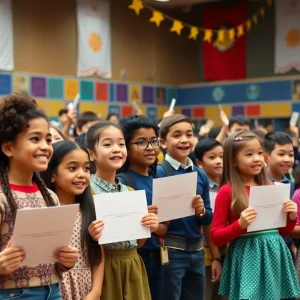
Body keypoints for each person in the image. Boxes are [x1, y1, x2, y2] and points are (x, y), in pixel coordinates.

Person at [0, 94, 78, 299]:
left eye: (48, 140)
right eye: (35, 139)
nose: (45, 146)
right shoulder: (0, 197)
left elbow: (52, 257)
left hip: (53, 291)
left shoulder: (50, 196)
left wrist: (65, 260)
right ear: (8, 147)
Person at [211, 130, 300, 299]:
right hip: (246, 255)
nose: (257, 159)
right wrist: (240, 225)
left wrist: (291, 217)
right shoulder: (227, 191)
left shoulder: (273, 187)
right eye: (249, 154)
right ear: (233, 160)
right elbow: (216, 236)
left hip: (275, 253)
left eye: (260, 153)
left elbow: (285, 231)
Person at [85, 121, 158, 300]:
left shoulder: (130, 192)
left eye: (121, 144)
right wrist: (91, 235)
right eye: (108, 144)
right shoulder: (87, 191)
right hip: (104, 267)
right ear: (91, 154)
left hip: (133, 264)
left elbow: (137, 243)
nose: (116, 149)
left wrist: (149, 226)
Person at [157, 114, 213, 300]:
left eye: (189, 135)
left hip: (197, 251)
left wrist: (201, 211)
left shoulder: (201, 175)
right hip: (171, 251)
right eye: (177, 135)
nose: (184, 140)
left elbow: (208, 218)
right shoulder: (159, 172)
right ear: (162, 142)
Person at [40, 141, 104, 299]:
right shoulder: (43, 211)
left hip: (86, 289)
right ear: (53, 174)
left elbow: (98, 256)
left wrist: (95, 292)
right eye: (72, 168)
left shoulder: (90, 210)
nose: (81, 174)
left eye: (86, 168)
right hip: (54, 289)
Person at [117, 115, 166, 300]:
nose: (151, 148)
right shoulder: (123, 182)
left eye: (154, 141)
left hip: (159, 255)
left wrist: (155, 224)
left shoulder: (158, 180)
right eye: (141, 142)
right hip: (137, 257)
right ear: (126, 147)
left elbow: (163, 229)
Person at [194, 138, 224, 300]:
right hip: (206, 253)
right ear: (199, 162)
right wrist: (215, 256)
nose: (219, 161)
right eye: (212, 158)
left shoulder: (230, 186)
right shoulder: (199, 189)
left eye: (222, 156)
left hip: (227, 252)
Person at [264, 132, 295, 196]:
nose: (287, 159)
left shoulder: (292, 185)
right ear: (266, 157)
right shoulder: (258, 182)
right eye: (281, 154)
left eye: (291, 155)